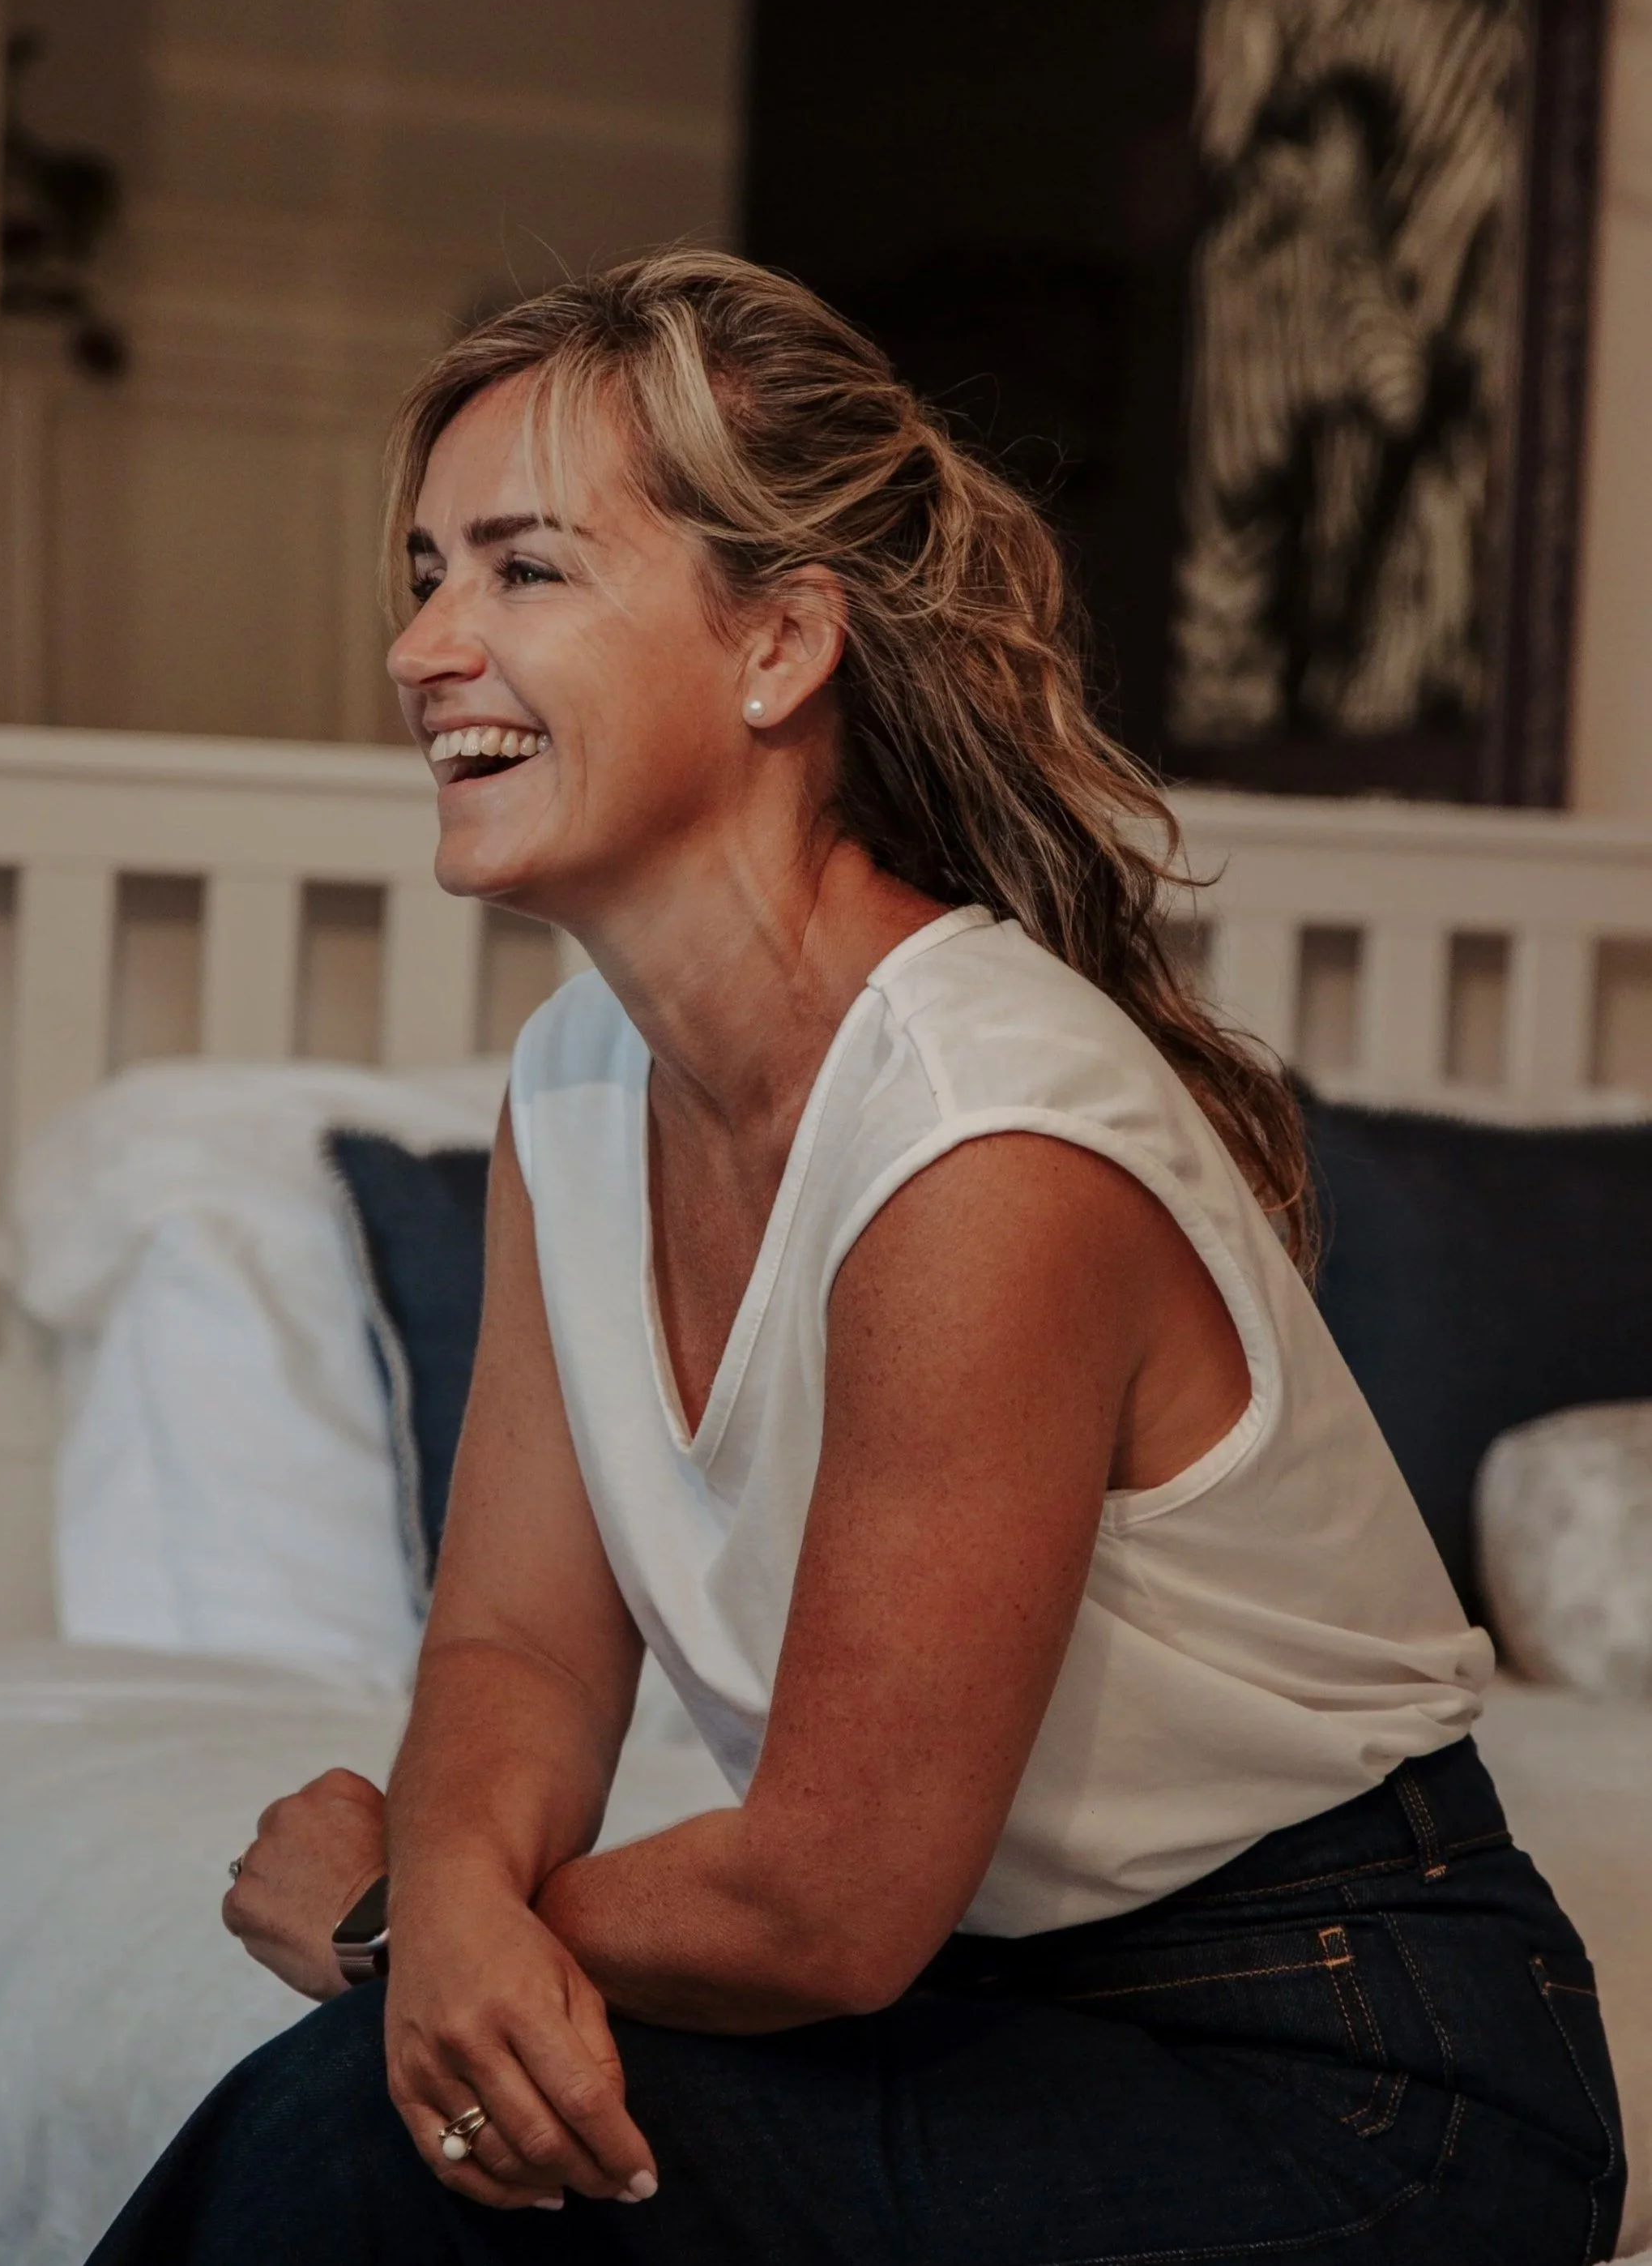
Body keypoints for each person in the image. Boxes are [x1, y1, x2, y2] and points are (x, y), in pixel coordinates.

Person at [89, 249, 1624, 2265]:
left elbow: (823, 1899)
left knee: (386, 2143)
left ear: (776, 646)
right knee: (434, 2121)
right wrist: (452, 1912)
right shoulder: (575, 1086)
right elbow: (518, 1649)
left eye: (521, 570)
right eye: (422, 569)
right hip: (976, 2008)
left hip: (1337, 2068)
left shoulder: (982, 1136)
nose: (422, 645)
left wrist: (407, 1922)